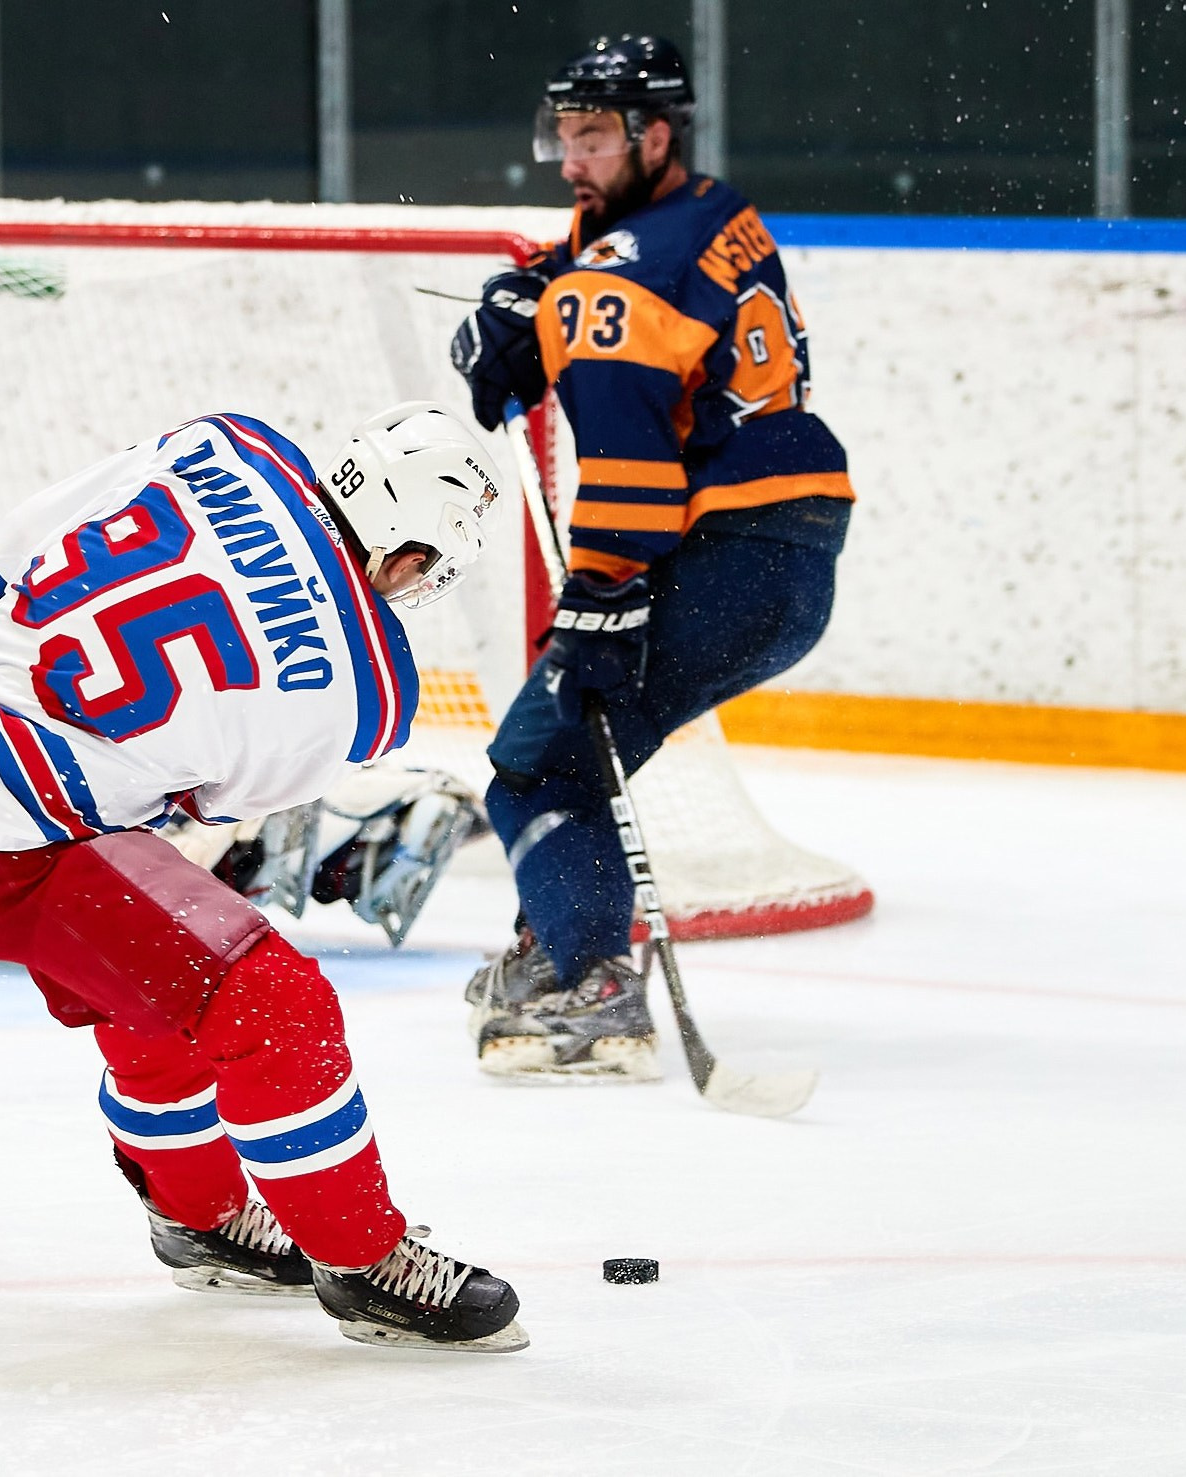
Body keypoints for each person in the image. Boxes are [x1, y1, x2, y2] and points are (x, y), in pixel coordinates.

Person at [0, 404, 528, 1352]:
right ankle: (363, 1263)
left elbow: (6, 555)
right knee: (269, 1000)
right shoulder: (371, 687)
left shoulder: (230, 444)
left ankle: (202, 1219)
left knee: (161, 990)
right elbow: (212, 800)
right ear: (409, 551)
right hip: (22, 838)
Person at [448, 36, 855, 1080]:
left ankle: (589, 987)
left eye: (592, 138)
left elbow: (629, 445)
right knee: (567, 753)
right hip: (784, 548)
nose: (571, 161)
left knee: (539, 762)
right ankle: (564, 942)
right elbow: (613, 282)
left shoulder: (623, 278)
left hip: (723, 552)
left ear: (655, 134)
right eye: (563, 136)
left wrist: (602, 592)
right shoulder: (710, 213)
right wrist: (531, 295)